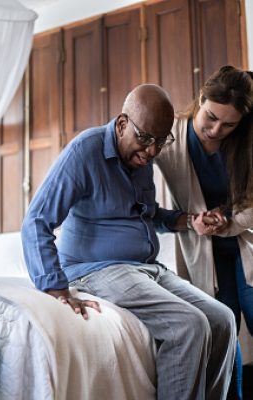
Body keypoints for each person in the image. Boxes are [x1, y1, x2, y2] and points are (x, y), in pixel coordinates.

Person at [21, 83, 236, 400]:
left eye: (160, 142)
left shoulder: (141, 162)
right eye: (145, 139)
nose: (151, 151)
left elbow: (148, 215)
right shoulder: (84, 153)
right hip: (97, 269)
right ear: (122, 124)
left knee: (222, 320)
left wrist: (188, 220)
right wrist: (56, 287)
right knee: (188, 326)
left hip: (146, 267)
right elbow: (37, 220)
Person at [155, 65, 253, 400]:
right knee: (224, 332)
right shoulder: (168, 141)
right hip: (202, 250)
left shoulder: (245, 143)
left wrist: (228, 221)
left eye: (229, 124)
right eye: (210, 117)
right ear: (201, 98)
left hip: (242, 243)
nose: (215, 130)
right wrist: (188, 220)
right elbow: (147, 206)